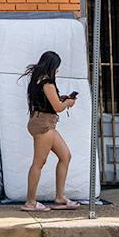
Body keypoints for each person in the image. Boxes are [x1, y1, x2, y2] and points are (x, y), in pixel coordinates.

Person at [21, 50, 80, 212]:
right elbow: (58, 108)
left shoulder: (37, 79)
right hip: (43, 125)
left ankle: (60, 197)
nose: (58, 71)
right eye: (57, 67)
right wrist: (68, 103)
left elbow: (47, 101)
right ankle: (30, 202)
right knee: (39, 163)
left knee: (65, 155)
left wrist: (62, 99)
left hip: (44, 122)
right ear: (52, 66)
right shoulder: (47, 82)